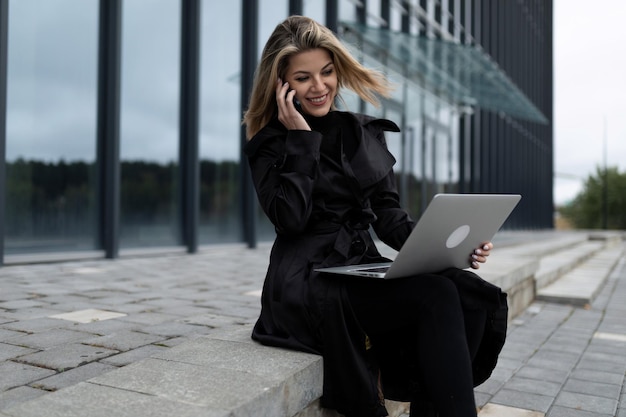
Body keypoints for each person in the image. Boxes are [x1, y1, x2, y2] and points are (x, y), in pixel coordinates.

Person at [242, 15, 508, 417]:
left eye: (327, 72)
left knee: (467, 291)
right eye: (303, 78)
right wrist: (300, 140)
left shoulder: (363, 131)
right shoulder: (270, 145)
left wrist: (451, 246)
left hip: (358, 268)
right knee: (435, 295)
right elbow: (290, 221)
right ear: (281, 85)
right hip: (306, 283)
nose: (319, 87)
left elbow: (388, 216)